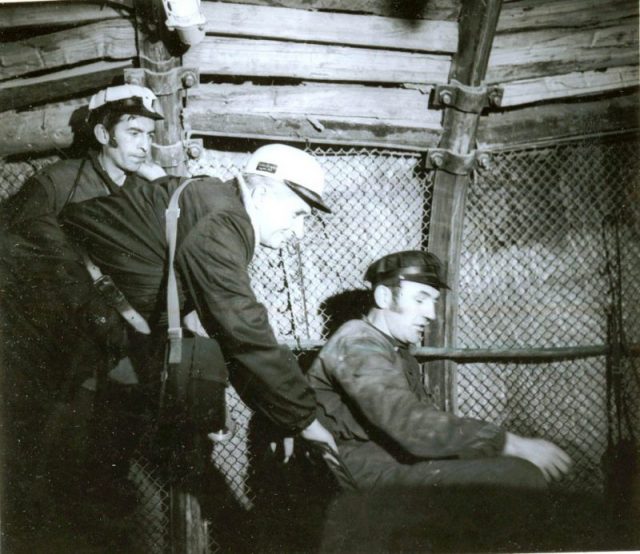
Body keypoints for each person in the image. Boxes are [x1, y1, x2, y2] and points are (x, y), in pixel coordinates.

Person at [60, 143, 338, 464]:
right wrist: (303, 419)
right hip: (44, 297)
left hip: (73, 307)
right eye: (298, 214)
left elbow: (224, 329)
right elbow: (241, 325)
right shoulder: (223, 219)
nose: (300, 232)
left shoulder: (211, 201)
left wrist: (285, 413)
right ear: (261, 196)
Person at [0, 84, 167, 540]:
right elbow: (21, 247)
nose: (143, 143)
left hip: (128, 334)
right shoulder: (58, 181)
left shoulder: (145, 190)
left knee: (120, 426)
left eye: (148, 134)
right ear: (101, 134)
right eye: (133, 132)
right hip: (58, 336)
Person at [308, 250, 572, 490]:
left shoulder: (395, 348)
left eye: (434, 301)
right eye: (421, 299)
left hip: (393, 462)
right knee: (518, 475)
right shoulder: (358, 342)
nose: (431, 314)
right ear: (384, 297)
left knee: (514, 468)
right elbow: (408, 422)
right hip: (366, 474)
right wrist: (507, 443)